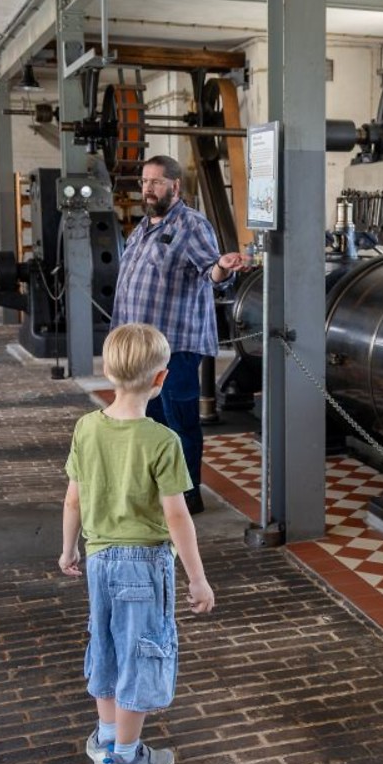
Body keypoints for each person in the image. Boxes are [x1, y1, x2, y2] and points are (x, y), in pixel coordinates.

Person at [59, 322, 215, 764]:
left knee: (105, 646)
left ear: (107, 371)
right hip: (144, 565)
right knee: (141, 653)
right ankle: (125, 760)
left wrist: (68, 549)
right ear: (161, 379)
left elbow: (73, 499)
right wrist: (198, 579)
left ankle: (107, 739)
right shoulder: (162, 440)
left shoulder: (87, 428)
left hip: (99, 559)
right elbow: (178, 517)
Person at [112, 155, 251, 515]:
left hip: (176, 347)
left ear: (175, 186)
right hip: (140, 350)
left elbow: (211, 272)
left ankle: (188, 494)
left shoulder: (192, 225)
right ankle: (162, 488)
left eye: (155, 182)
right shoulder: (142, 229)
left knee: (180, 423)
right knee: (152, 422)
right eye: (144, 182)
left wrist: (223, 266)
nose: (147, 189)